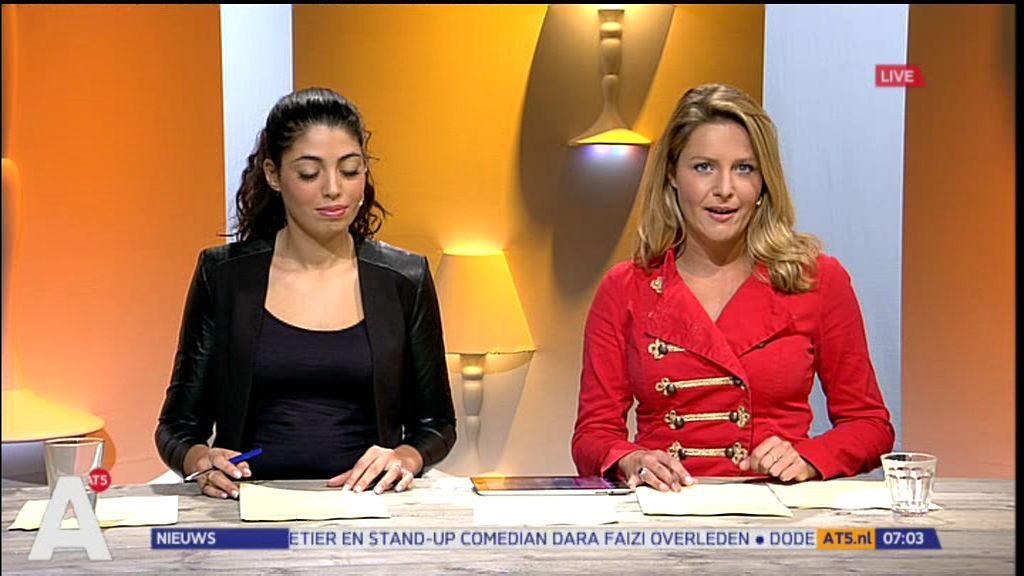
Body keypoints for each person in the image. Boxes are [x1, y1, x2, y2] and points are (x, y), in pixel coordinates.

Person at [571, 83, 894, 492]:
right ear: (672, 175)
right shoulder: (625, 288)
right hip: (666, 509)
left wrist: (809, 459)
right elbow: (593, 434)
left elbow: (870, 425)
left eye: (744, 168)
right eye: (704, 167)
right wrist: (630, 459)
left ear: (763, 183)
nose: (724, 188)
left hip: (778, 510)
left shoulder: (816, 279)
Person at [156, 87, 456, 499]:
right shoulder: (224, 277)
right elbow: (176, 428)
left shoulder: (404, 278)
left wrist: (404, 457)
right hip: (248, 506)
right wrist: (201, 462)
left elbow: (436, 425)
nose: (333, 189)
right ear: (273, 174)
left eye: (350, 170)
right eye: (310, 174)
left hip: (367, 506)